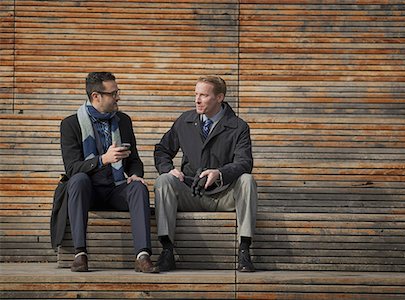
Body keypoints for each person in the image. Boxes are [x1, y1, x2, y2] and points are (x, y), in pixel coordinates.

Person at [153, 75, 257, 272]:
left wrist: (220, 172)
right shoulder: (185, 120)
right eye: (196, 95)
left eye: (203, 95)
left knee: (246, 180)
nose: (197, 100)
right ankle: (167, 251)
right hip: (190, 193)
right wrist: (169, 169)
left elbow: (245, 162)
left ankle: (244, 251)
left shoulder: (238, 126)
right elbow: (162, 150)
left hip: (223, 195)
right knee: (164, 180)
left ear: (219, 98)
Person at [58, 72, 158, 273]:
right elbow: (72, 168)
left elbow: (135, 160)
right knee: (77, 180)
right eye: (113, 93)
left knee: (139, 187)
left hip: (116, 188)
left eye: (117, 92)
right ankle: (80, 254)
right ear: (96, 96)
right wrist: (103, 159)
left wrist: (136, 173)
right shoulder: (70, 124)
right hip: (88, 191)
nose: (118, 97)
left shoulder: (123, 121)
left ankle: (143, 256)